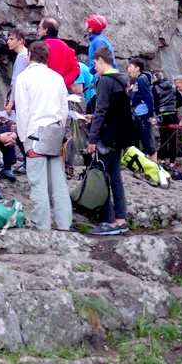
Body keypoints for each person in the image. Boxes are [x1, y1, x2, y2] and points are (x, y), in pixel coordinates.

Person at [14, 40, 72, 231]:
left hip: (34, 133)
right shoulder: (57, 77)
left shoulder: (24, 78)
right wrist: (60, 130)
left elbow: (22, 111)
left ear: (29, 55)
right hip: (54, 131)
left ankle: (41, 225)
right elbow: (64, 108)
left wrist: (23, 138)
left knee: (38, 182)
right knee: (58, 182)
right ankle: (64, 224)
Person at [86, 47, 134, 236]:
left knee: (103, 178)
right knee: (116, 178)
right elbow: (115, 111)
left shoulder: (105, 81)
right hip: (119, 137)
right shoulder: (121, 80)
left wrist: (92, 138)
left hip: (107, 138)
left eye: (94, 63)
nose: (94, 67)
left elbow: (102, 111)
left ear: (99, 60)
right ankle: (122, 219)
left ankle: (110, 221)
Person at [4, 28, 30, 174]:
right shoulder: (22, 55)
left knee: (19, 130)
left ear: (21, 40)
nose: (8, 41)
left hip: (21, 99)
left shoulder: (22, 56)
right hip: (21, 97)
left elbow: (17, 80)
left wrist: (11, 101)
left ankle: (27, 161)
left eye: (12, 39)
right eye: (8, 39)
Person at [127, 59, 157, 161]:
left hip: (144, 115)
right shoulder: (136, 81)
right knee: (139, 141)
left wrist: (150, 116)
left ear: (137, 68)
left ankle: (154, 168)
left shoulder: (141, 79)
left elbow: (149, 97)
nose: (128, 69)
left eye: (130, 66)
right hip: (137, 115)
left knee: (148, 142)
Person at [37, 18, 80, 90]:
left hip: (44, 89)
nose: (38, 30)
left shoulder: (40, 47)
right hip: (62, 90)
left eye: (39, 27)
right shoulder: (67, 48)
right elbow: (76, 70)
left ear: (46, 30)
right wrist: (63, 81)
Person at [152, 70, 181, 165]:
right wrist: (173, 107)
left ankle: (163, 160)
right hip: (173, 115)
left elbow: (155, 103)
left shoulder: (155, 87)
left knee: (164, 138)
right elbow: (181, 100)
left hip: (162, 115)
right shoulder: (173, 86)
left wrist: (157, 115)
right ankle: (172, 162)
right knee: (173, 140)